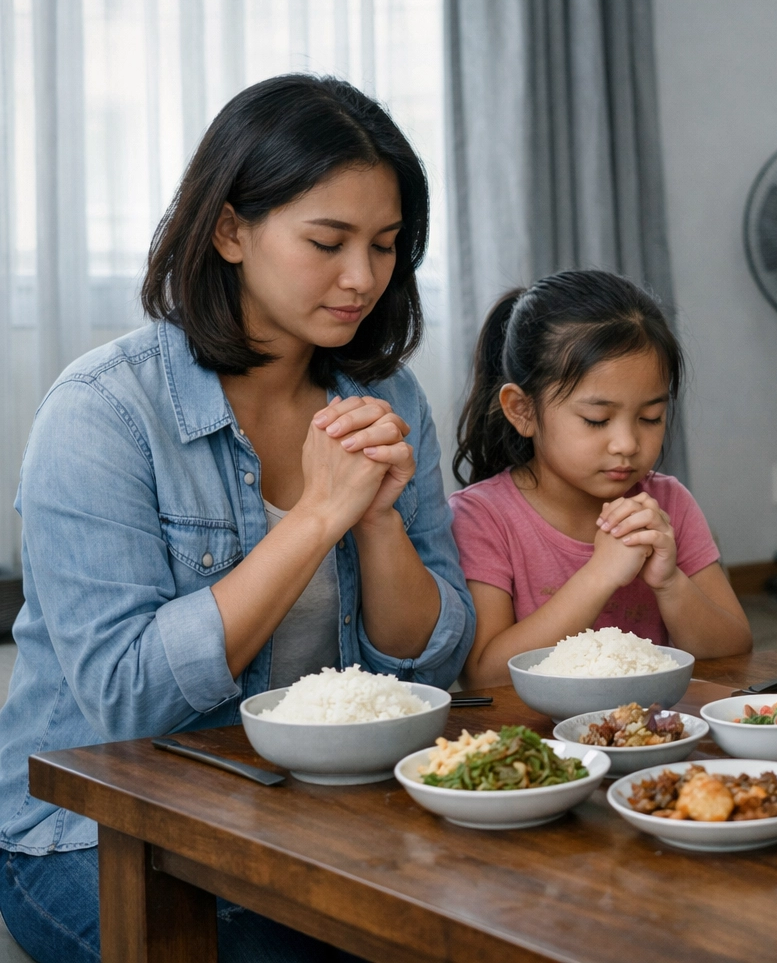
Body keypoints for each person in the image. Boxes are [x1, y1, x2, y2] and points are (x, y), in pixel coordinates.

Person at [0, 75, 473, 963]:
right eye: (328, 242)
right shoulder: (101, 412)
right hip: (91, 828)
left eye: (386, 245)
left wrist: (374, 521)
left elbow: (432, 659)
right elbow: (127, 696)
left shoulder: (386, 392)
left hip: (306, 804)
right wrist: (317, 517)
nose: (364, 277)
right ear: (229, 230)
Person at [450, 271, 752, 689]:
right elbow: (486, 676)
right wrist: (599, 575)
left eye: (651, 417)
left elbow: (734, 648)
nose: (627, 443)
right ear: (522, 410)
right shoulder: (482, 516)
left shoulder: (668, 503)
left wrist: (669, 582)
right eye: (597, 420)